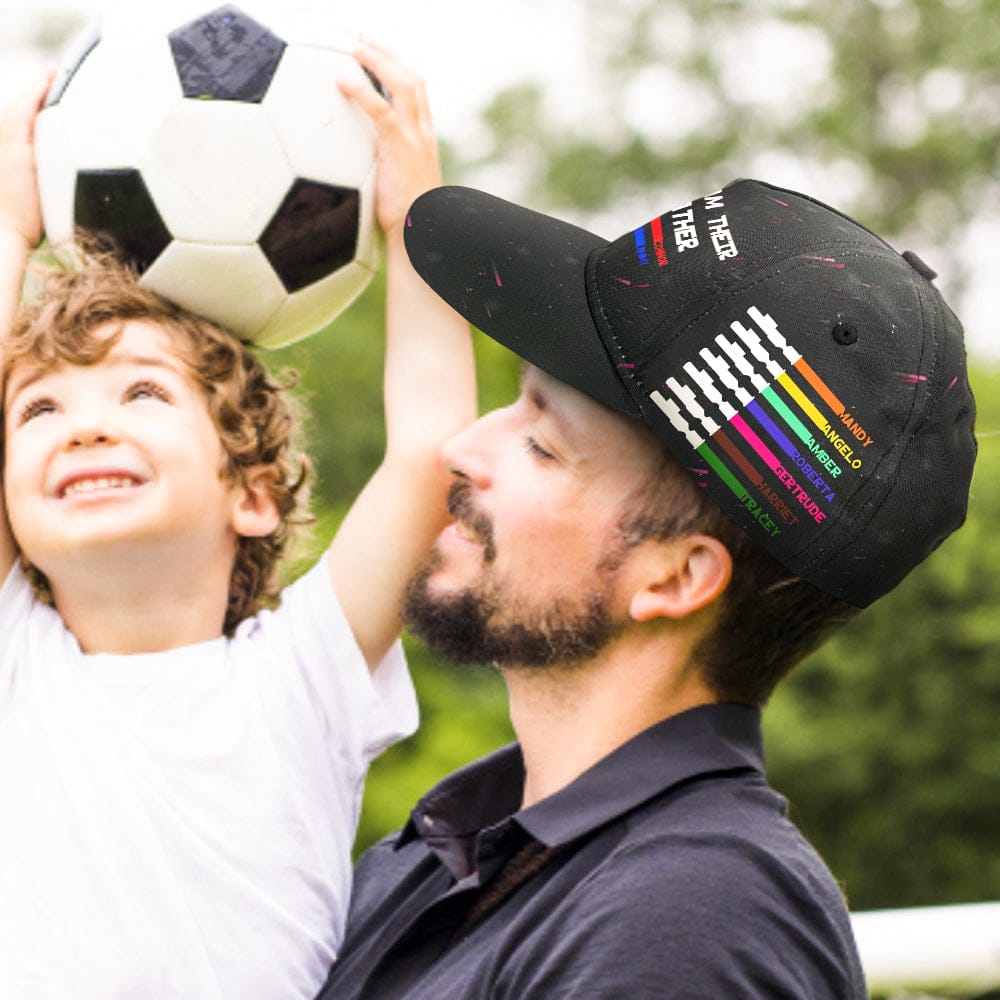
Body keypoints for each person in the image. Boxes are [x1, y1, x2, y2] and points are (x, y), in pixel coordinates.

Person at [319, 180, 977, 998]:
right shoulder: (460, 848)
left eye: (543, 443)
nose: (462, 448)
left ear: (677, 576)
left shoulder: (690, 923)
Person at [0, 46, 473, 1000]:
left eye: (141, 393)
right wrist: (11, 229)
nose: (86, 424)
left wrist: (416, 222)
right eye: (40, 410)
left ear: (251, 494)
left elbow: (431, 455)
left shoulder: (302, 675)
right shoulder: (16, 658)